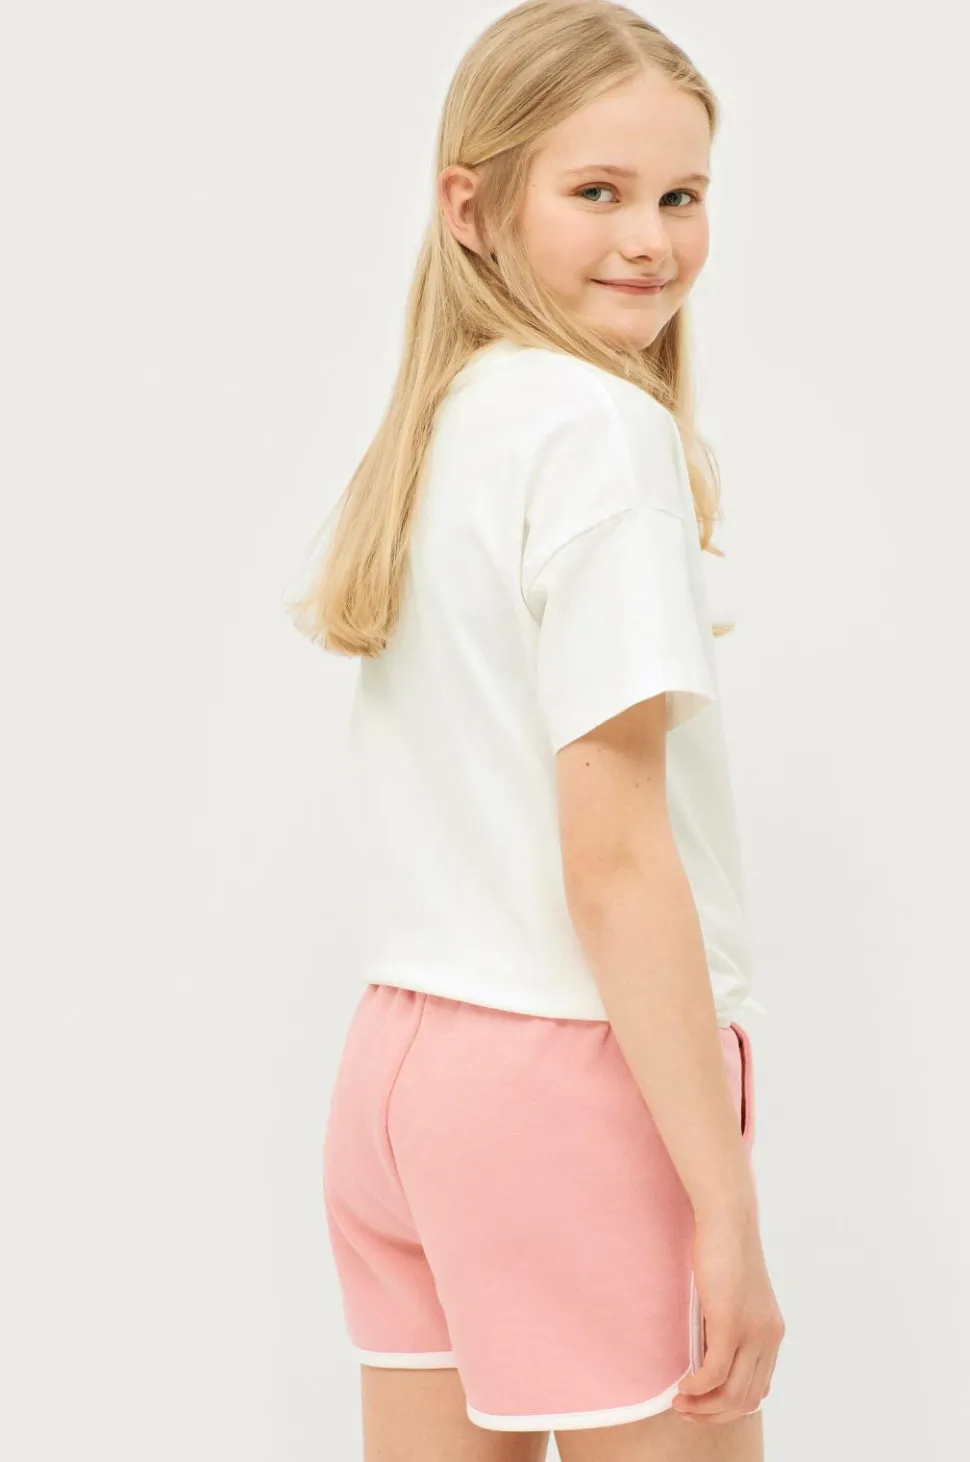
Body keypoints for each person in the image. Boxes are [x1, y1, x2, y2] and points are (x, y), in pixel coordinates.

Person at [285, 1, 786, 1457]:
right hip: (572, 1076)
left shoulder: (445, 422)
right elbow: (614, 860)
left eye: (680, 196)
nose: (651, 241)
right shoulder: (598, 431)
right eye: (598, 192)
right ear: (473, 208)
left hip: (401, 1070)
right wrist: (726, 1206)